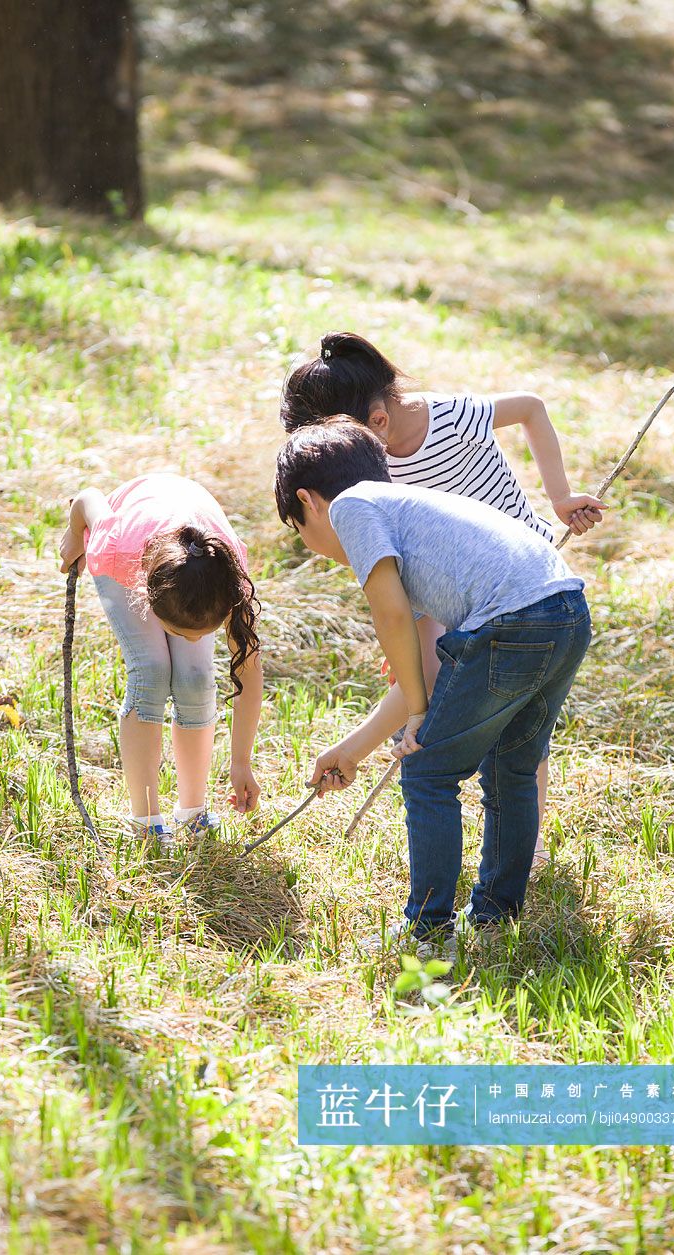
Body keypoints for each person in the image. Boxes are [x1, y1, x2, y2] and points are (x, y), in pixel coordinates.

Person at [279, 331, 605, 868]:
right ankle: (505, 869)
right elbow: (408, 574)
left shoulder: (426, 437)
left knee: (488, 733)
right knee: (433, 688)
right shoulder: (373, 471)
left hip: (513, 582)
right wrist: (409, 628)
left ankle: (511, 857)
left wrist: (561, 496)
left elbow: (529, 407)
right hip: (462, 590)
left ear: (376, 422)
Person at [274, 420, 592, 958]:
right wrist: (354, 750)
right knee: (511, 768)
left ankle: (426, 928)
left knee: (427, 772)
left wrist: (420, 715)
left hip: (515, 620)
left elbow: (391, 618)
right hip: (565, 612)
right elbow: (424, 665)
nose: (309, 544)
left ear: (309, 500)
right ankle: (494, 917)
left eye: (298, 527)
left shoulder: (352, 507)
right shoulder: (414, 522)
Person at [59, 472, 263, 844]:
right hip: (134, 547)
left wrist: (241, 761)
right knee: (151, 669)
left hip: (196, 561)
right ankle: (146, 820)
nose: (193, 639)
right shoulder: (114, 544)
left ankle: (193, 812)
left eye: (204, 632)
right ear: (149, 600)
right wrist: (75, 534)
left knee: (196, 676)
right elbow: (87, 497)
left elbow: (248, 674)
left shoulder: (230, 581)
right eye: (182, 632)